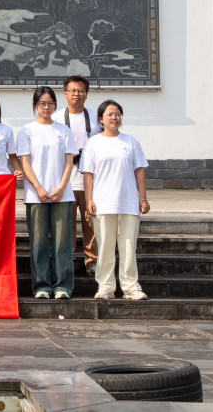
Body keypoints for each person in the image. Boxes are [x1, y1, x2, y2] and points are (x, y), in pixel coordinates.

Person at [82, 100, 150, 301]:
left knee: (129, 245)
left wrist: (143, 198)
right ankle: (105, 286)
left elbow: (139, 171)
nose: (114, 118)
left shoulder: (130, 142)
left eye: (118, 114)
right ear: (101, 119)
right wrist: (89, 199)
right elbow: (88, 174)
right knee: (104, 245)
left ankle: (131, 287)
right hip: (103, 201)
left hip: (128, 200)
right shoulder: (93, 142)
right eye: (110, 114)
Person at [17, 86, 78, 300]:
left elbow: (69, 161)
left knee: (62, 241)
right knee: (39, 241)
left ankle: (63, 285)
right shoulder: (26, 130)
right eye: (42, 103)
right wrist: (39, 188)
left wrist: (61, 187)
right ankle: (42, 285)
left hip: (62, 194)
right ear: (35, 105)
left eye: (50, 103)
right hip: (36, 195)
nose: (46, 107)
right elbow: (25, 162)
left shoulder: (63, 130)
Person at [62, 74, 101, 276]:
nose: (76, 94)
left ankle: (92, 263)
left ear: (86, 94)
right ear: (65, 93)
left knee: (91, 225)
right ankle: (67, 262)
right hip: (65, 183)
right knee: (66, 228)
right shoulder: (57, 117)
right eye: (73, 90)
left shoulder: (96, 118)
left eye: (81, 90)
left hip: (90, 183)